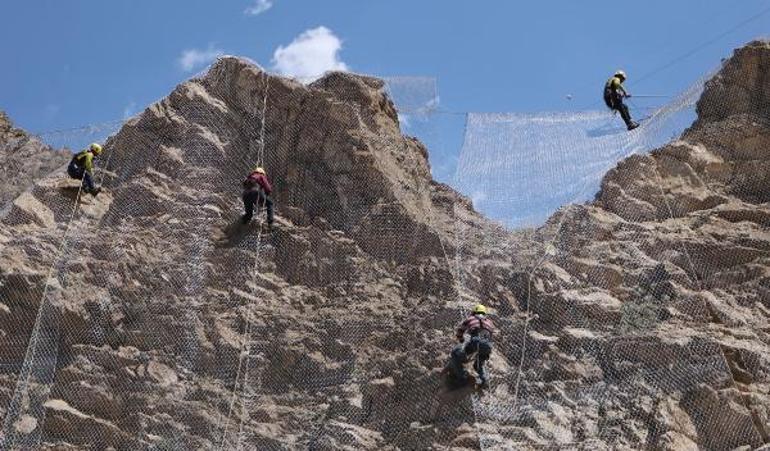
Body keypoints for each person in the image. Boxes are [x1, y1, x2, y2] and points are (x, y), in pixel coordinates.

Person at [448, 304, 496, 387]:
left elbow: (460, 331)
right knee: (478, 364)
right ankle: (484, 380)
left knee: (455, 353)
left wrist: (461, 340)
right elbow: (490, 335)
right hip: (488, 345)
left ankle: (462, 377)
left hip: (476, 341)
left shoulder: (471, 318)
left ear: (474, 312)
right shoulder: (489, 322)